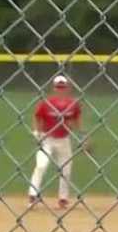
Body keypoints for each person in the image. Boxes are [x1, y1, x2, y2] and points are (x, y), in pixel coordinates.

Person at [28, 75, 86, 209]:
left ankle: (63, 198)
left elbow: (77, 119)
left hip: (64, 140)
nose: (60, 89)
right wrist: (37, 133)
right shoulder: (46, 103)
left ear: (67, 88)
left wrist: (83, 135)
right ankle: (33, 195)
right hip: (47, 138)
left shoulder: (73, 104)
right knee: (41, 165)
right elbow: (37, 116)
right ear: (54, 88)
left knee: (66, 169)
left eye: (63, 87)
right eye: (58, 87)